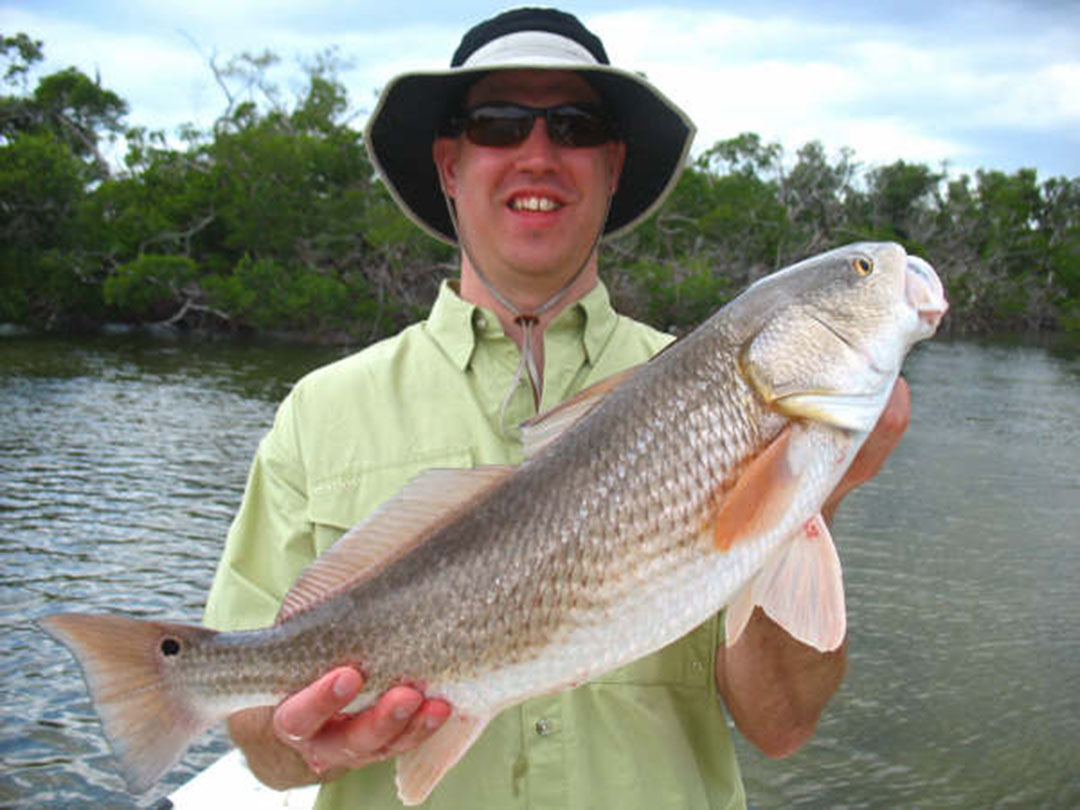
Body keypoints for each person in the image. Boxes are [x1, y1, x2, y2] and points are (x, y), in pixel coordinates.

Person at [203, 8, 911, 809]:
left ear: (612, 165)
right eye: (498, 124)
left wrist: (815, 490)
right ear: (448, 164)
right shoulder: (318, 413)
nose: (538, 155)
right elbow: (265, 755)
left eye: (574, 125)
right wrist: (301, 739)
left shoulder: (721, 393)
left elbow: (780, 724)